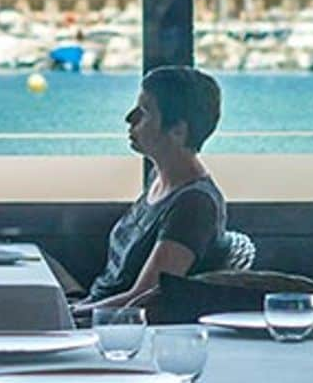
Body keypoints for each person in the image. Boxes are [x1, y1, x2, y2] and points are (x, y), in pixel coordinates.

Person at [72, 65, 226, 316]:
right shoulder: (160, 179)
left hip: (106, 323)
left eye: (143, 112)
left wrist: (69, 314)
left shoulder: (194, 205)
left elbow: (144, 297)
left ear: (178, 131)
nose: (129, 118)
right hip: (92, 303)